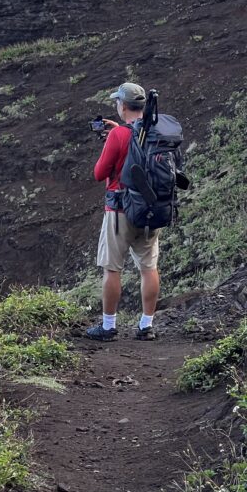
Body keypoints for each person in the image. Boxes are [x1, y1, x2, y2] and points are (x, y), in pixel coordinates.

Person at [86, 82, 160, 342]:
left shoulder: (118, 136)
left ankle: (108, 327)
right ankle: (146, 326)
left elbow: (99, 173)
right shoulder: (155, 130)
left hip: (119, 209)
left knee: (112, 268)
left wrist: (113, 139)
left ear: (124, 106)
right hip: (151, 209)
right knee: (149, 268)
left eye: (118, 101)